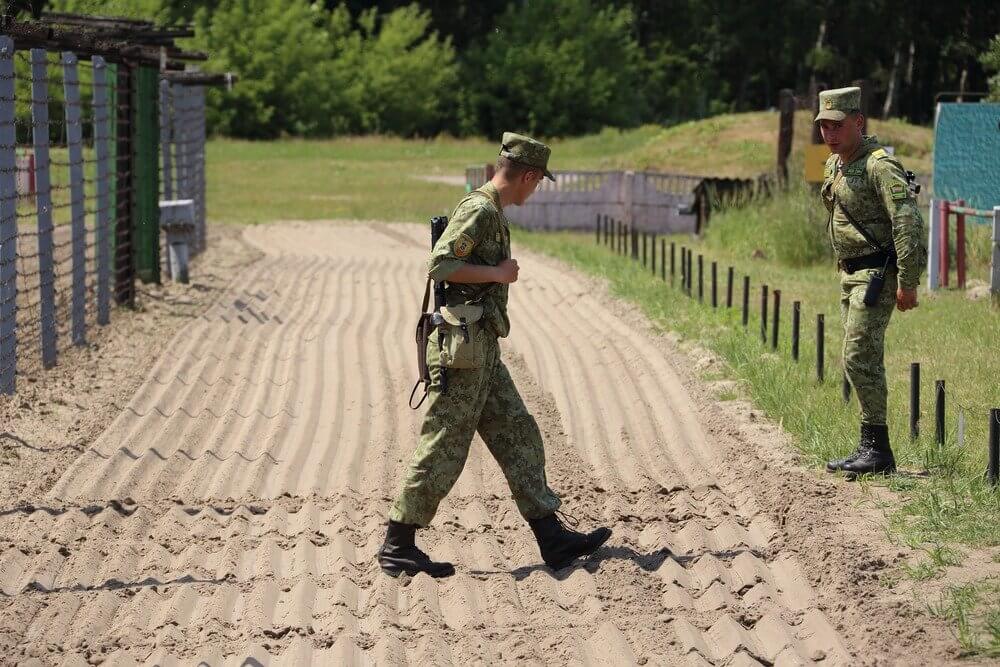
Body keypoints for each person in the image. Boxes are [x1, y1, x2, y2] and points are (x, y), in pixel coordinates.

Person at [378, 132, 612, 578]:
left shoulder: (491, 210)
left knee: (518, 432)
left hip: (480, 347)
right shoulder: (481, 210)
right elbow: (441, 263)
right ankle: (398, 542)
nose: (536, 189)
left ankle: (552, 537)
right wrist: (499, 273)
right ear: (527, 175)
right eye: (538, 181)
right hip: (463, 350)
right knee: (445, 440)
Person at [816, 87, 926, 476]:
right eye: (824, 126)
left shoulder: (881, 165)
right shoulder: (834, 165)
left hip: (878, 275)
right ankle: (872, 448)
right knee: (859, 358)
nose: (830, 134)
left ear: (858, 122)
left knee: (858, 356)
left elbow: (907, 221)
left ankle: (877, 450)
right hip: (850, 275)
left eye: (838, 125)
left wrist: (908, 282)